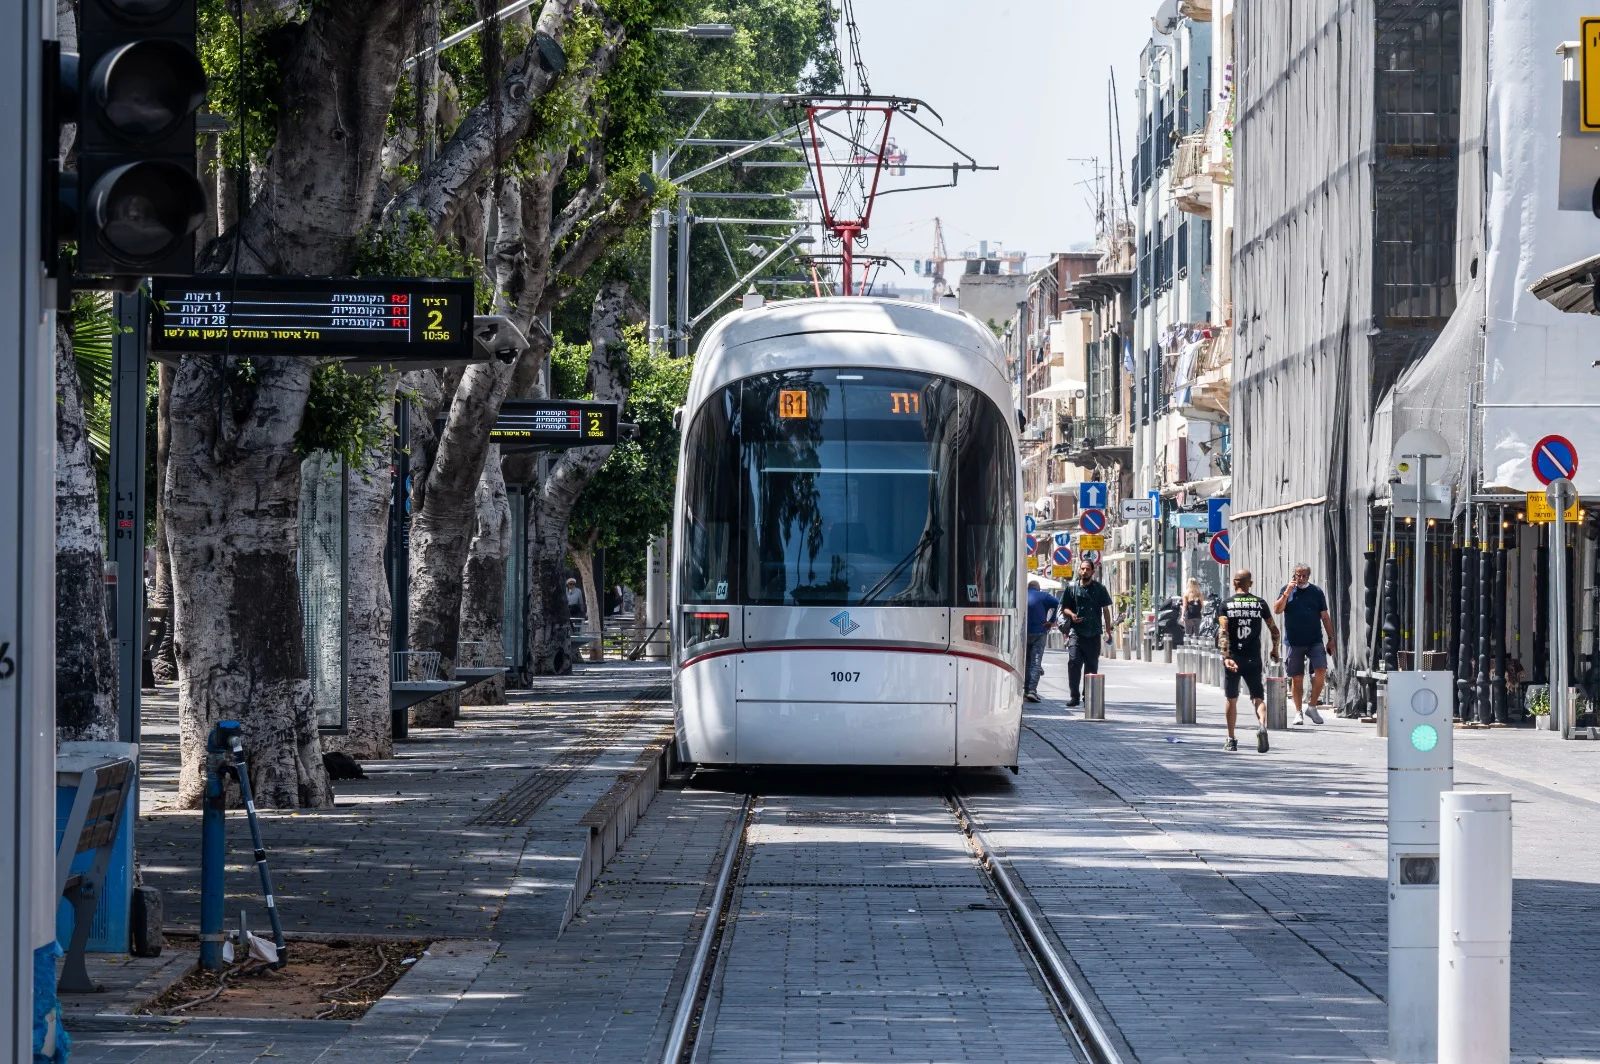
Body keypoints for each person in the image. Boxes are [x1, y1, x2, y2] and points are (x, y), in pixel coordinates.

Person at [1219, 569, 1281, 753]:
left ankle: (1231, 738)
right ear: (1250, 584)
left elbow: (1223, 631)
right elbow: (1274, 630)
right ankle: (1262, 725)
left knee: (1232, 697)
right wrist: (1274, 649)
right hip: (1253, 657)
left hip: (1235, 658)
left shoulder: (1226, 605)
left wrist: (1226, 656)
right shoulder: (1259, 603)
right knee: (1258, 697)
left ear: (1235, 582)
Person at [1273, 562, 1335, 725]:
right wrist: (1286, 592)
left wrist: (1331, 639)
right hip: (1294, 641)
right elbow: (1277, 610)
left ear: (1308, 576)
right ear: (1294, 575)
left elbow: (1325, 616)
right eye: (1298, 575)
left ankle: (1312, 706)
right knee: (1297, 677)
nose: (1301, 578)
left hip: (1315, 639)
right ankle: (1298, 711)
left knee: (1321, 670)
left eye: (1304, 576)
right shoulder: (1286, 590)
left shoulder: (1316, 592)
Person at [1061, 561, 1114, 707]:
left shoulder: (1099, 589)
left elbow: (1106, 610)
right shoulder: (1071, 587)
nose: (1084, 571)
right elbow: (1064, 607)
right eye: (1082, 569)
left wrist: (1108, 631)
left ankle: (1088, 696)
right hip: (1076, 633)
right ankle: (1074, 696)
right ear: (1079, 570)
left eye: (1087, 569)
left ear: (1092, 572)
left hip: (1093, 634)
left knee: (1092, 667)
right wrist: (1072, 615)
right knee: (1073, 663)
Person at [1024, 579, 1061, 702]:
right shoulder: (1044, 596)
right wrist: (1051, 621)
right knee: (1035, 661)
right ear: (1038, 588)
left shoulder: (1021, 595)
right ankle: (1032, 690)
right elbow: (1059, 604)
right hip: (1039, 632)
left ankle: (1025, 689)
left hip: (1023, 632)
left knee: (1025, 661)